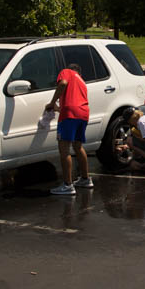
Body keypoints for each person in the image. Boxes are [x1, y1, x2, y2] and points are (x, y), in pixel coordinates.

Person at [45, 63, 92, 195]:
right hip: (83, 114)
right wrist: (57, 109)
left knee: (64, 149)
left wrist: (52, 102)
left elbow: (63, 83)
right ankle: (85, 178)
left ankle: (67, 185)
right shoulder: (81, 81)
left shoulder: (66, 71)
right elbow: (74, 103)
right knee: (78, 146)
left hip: (70, 115)